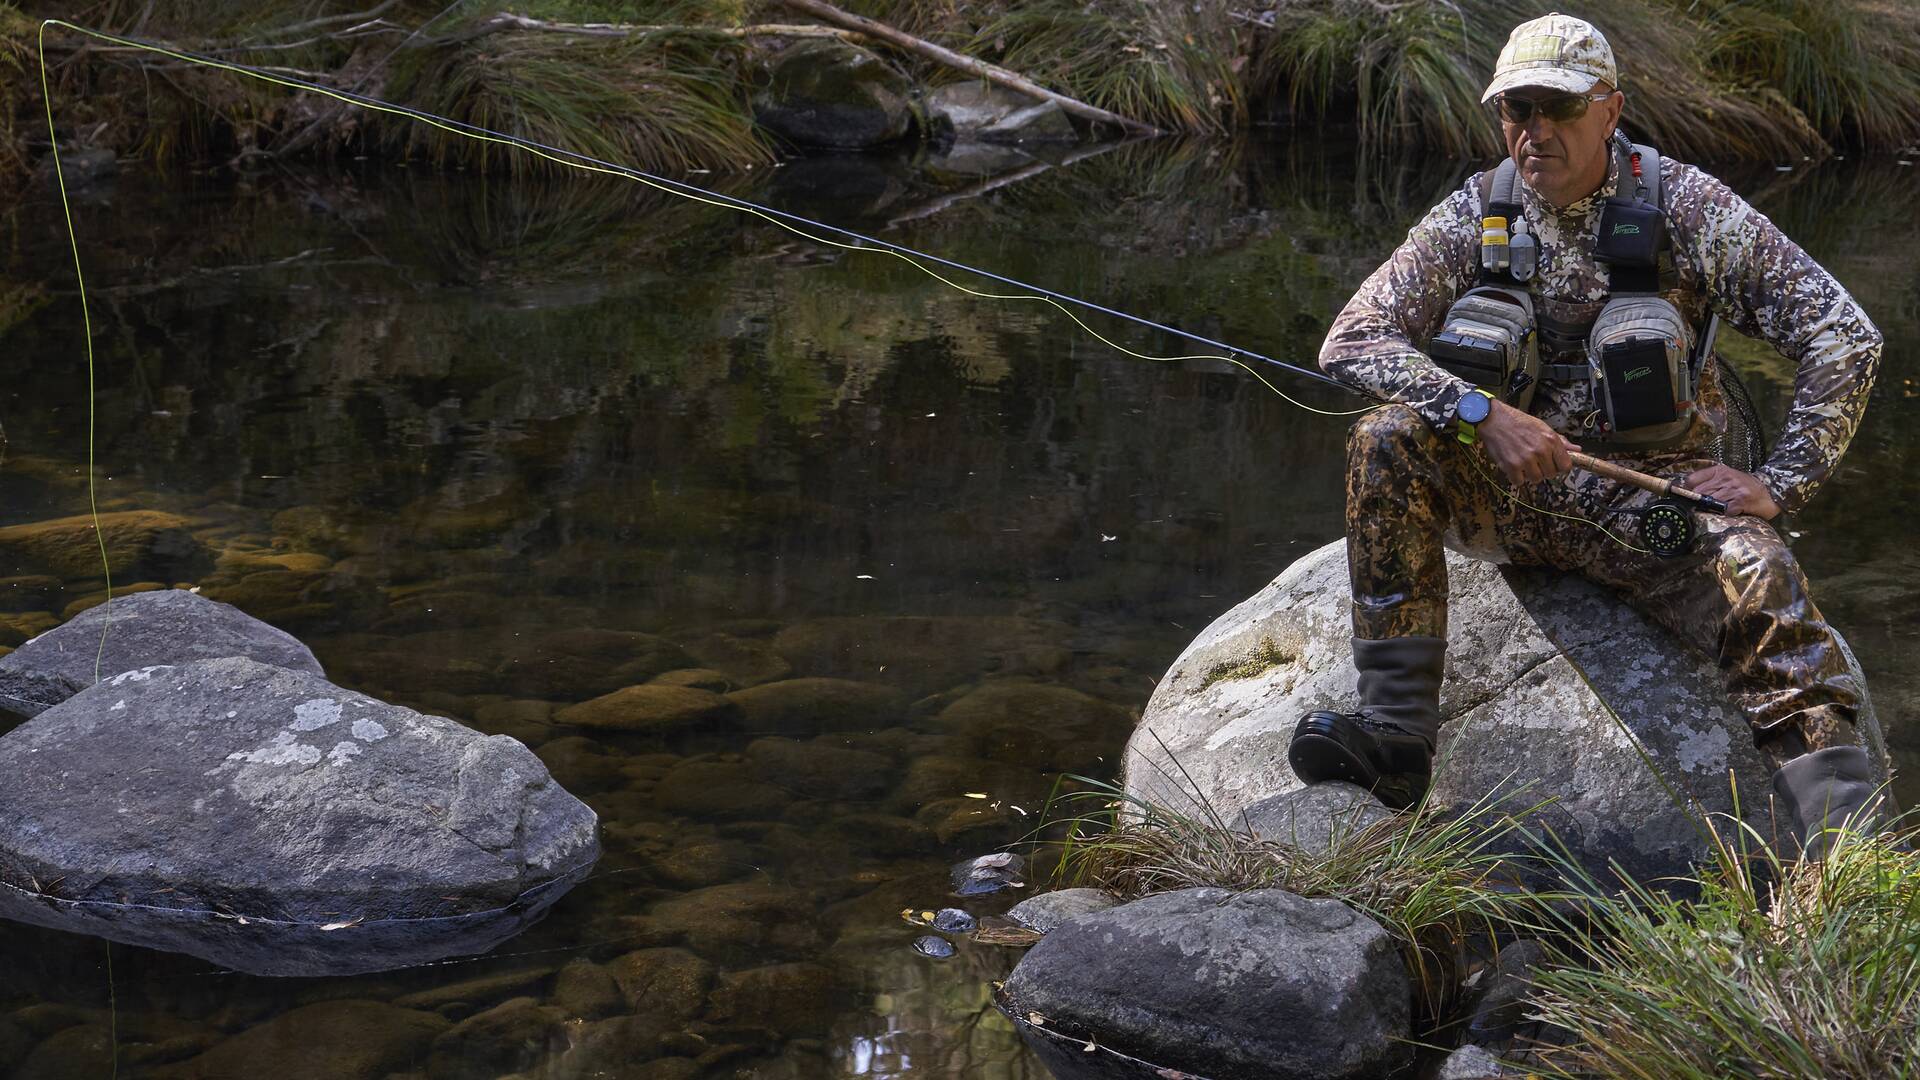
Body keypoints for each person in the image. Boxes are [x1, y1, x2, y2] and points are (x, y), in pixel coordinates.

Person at [1286, 12, 1885, 858]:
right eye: (1515, 110)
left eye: (1557, 110)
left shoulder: (1690, 208)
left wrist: (1782, 483)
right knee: (1384, 438)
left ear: (1610, 111)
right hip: (1504, 502)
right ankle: (1396, 741)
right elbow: (1351, 340)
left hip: (1649, 510)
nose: (1534, 132)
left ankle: (1843, 854)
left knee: (1760, 571)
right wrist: (1480, 413)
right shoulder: (1477, 211)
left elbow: (1844, 335)